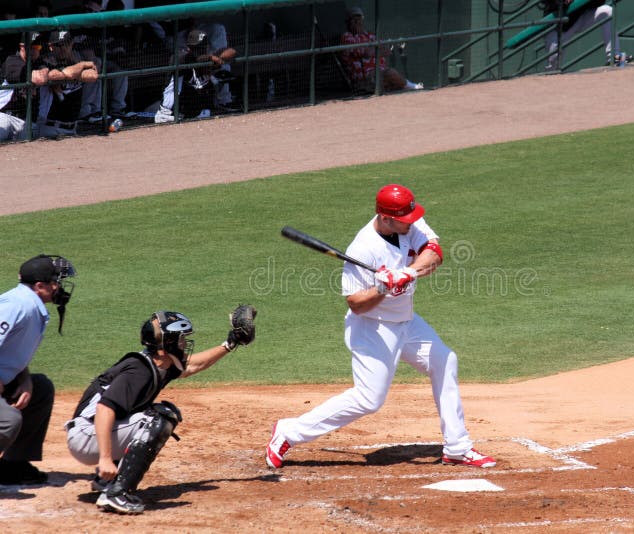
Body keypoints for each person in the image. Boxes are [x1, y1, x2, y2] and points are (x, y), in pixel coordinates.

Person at [266, 184, 496, 470]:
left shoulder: (406, 219)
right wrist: (382, 288)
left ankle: (458, 447)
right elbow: (356, 303)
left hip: (407, 323)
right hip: (373, 329)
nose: (412, 222)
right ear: (386, 218)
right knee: (368, 399)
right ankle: (288, 432)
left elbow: (434, 252)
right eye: (405, 219)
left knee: (444, 360)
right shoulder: (363, 249)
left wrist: (407, 273)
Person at [65, 306, 256, 514]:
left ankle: (106, 481)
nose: (185, 343)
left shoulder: (159, 363)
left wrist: (229, 344)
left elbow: (192, 366)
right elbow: (104, 409)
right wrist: (105, 458)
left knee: (155, 413)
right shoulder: (139, 371)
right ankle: (115, 493)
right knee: (157, 419)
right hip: (86, 436)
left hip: (92, 432)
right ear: (166, 345)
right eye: (181, 339)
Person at [0, 254, 76, 486]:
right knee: (7, 421)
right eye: (56, 282)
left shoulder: (30, 304)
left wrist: (24, 378)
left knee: (40, 388)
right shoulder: (16, 306)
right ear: (40, 286)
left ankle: (12, 466)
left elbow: (9, 351)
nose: (60, 288)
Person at [154, 28, 237, 123]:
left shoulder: (209, 60)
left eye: (203, 46)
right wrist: (210, 58)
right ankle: (165, 114)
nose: (201, 49)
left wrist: (219, 58)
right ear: (189, 47)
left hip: (191, 112)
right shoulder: (180, 58)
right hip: (170, 111)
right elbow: (195, 59)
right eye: (197, 48)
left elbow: (232, 51)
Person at [340, 7, 423, 93]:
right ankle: (413, 87)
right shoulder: (347, 37)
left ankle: (409, 87)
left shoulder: (369, 35)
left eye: (359, 19)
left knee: (390, 76)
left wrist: (372, 51)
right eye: (354, 20)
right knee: (390, 73)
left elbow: (387, 50)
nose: (357, 22)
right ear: (348, 22)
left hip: (379, 74)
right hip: (362, 79)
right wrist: (374, 50)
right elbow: (365, 53)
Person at [38, 30, 99, 138]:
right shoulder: (45, 63)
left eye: (66, 44)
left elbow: (92, 75)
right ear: (51, 46)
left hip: (72, 129)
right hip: (50, 128)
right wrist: (82, 65)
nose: (63, 48)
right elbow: (53, 75)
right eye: (58, 45)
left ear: (71, 44)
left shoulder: (74, 63)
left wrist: (74, 74)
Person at [542, 0, 623, 69]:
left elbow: (598, 3)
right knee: (553, 65)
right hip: (558, 26)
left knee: (607, 11)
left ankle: (616, 57)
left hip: (580, 18)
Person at [1, 32, 50, 142]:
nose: (33, 51)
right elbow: (38, 79)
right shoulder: (12, 61)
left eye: (36, 47)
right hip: (7, 116)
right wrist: (45, 71)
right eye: (29, 47)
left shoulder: (41, 63)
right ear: (21, 47)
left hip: (29, 122)